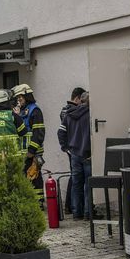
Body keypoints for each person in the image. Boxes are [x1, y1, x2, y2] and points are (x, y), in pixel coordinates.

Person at [12, 84, 45, 201]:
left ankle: (38, 204)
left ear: (27, 96)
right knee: (25, 180)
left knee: (34, 178)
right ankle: (28, 203)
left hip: (32, 153)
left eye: (20, 97)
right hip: (22, 154)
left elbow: (39, 133)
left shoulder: (35, 111)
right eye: (17, 98)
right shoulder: (20, 111)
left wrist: (31, 151)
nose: (18, 100)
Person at [64, 92, 93, 219]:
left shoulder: (69, 114)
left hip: (74, 153)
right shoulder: (91, 114)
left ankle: (76, 213)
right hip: (87, 153)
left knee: (76, 184)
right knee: (88, 184)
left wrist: (66, 148)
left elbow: (61, 132)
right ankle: (88, 213)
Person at [57, 88, 86, 216]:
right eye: (81, 101)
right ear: (77, 98)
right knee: (77, 179)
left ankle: (73, 208)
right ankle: (74, 206)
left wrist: (66, 147)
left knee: (75, 177)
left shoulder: (65, 110)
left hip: (72, 149)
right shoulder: (74, 110)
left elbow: (62, 131)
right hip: (77, 149)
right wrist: (66, 148)